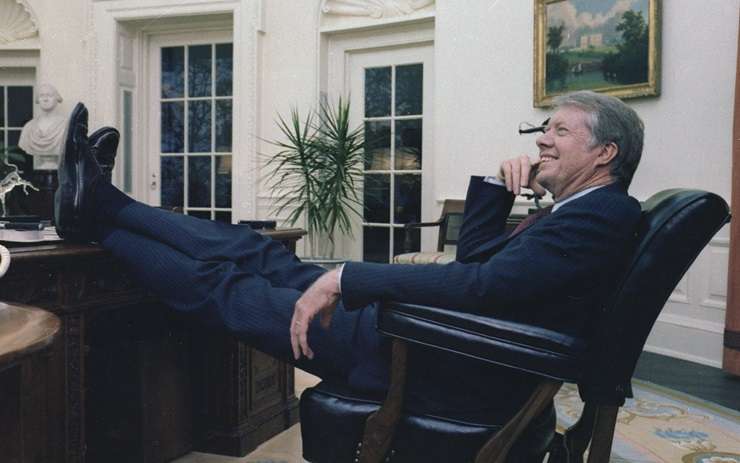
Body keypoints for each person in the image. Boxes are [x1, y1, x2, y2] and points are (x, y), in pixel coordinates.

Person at [54, 90, 643, 419]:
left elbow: (481, 287)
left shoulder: (602, 213)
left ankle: (98, 220)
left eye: (560, 131)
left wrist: (344, 277)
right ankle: (104, 202)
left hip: (429, 355)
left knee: (222, 285)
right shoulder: (577, 210)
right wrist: (499, 187)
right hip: (428, 335)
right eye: (544, 126)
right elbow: (480, 266)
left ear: (603, 153)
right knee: (252, 249)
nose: (541, 138)